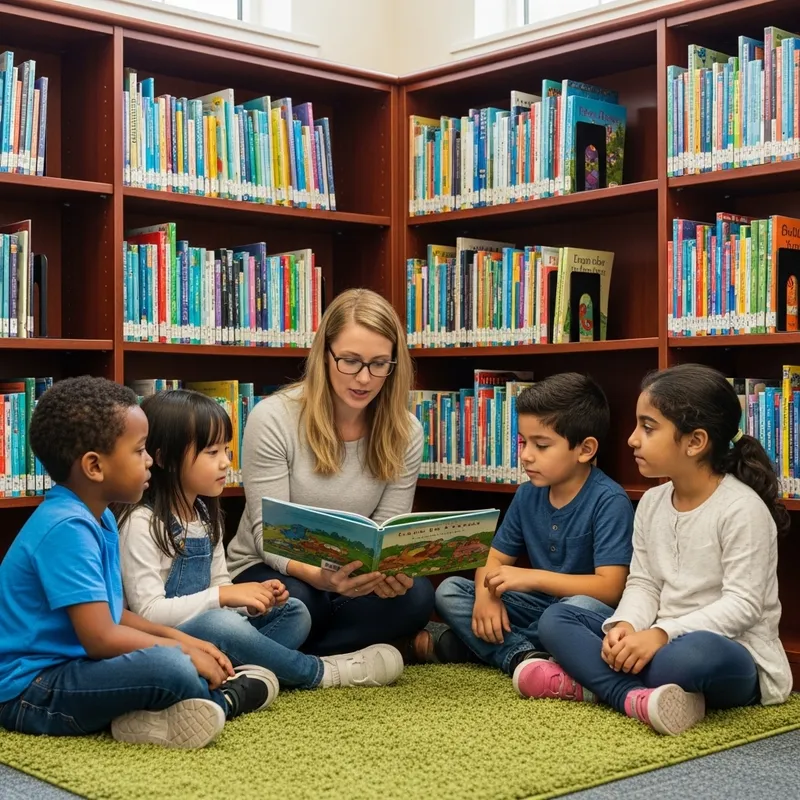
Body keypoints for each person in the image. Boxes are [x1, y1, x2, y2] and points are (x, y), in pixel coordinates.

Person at [0, 376, 277, 750]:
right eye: (140, 450)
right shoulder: (66, 527)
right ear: (95, 467)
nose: (150, 461)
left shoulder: (101, 518)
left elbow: (115, 614)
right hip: (31, 692)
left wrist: (182, 638)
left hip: (73, 666)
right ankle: (227, 699)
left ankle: (163, 712)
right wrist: (182, 652)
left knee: (180, 660)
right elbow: (101, 638)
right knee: (172, 668)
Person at [517, 364, 794, 736]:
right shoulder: (651, 501)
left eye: (647, 428)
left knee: (690, 658)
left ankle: (594, 684)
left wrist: (661, 634)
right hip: (653, 636)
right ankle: (636, 697)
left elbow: (743, 607)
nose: (632, 439)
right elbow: (643, 583)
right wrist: (626, 626)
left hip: (730, 651)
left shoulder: (741, 510)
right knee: (556, 619)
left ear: (694, 442)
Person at [116, 389, 403, 690]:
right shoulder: (142, 523)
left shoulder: (203, 514)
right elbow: (149, 613)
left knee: (294, 612)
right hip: (166, 643)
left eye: (225, 450)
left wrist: (251, 601)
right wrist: (226, 597)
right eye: (211, 453)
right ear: (165, 458)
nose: (225, 462)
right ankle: (317, 672)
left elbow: (219, 586)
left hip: (212, 634)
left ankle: (238, 673)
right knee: (221, 624)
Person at [227, 288, 434, 656]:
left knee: (416, 597)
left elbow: (387, 528)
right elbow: (268, 536)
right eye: (350, 361)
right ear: (325, 355)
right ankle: (340, 655)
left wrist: (383, 575)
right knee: (303, 603)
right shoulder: (273, 418)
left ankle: (281, 651)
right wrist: (322, 578)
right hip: (273, 569)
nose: (364, 378)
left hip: (351, 577)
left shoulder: (407, 431)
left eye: (379, 364)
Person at [428, 372, 634, 677]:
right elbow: (494, 558)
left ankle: (492, 648)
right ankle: (525, 656)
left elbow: (610, 587)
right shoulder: (527, 494)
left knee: (568, 612)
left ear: (585, 449)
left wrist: (530, 578)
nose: (525, 456)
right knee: (450, 591)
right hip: (534, 609)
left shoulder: (609, 500)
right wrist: (486, 598)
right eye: (523, 442)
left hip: (581, 614)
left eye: (542, 445)